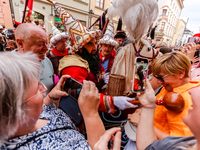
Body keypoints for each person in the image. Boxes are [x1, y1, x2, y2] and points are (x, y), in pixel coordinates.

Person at [0, 52, 106, 149]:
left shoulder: (27, 121)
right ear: (17, 114)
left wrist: (49, 98)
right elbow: (100, 146)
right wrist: (91, 114)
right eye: (37, 89)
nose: (44, 89)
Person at [136, 79, 199, 150]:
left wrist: (138, 120)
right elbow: (147, 146)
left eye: (194, 106)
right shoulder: (186, 143)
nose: (190, 91)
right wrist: (148, 105)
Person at [150, 51, 200, 138]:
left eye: (161, 77)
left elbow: (180, 142)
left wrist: (143, 122)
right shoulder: (170, 87)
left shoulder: (188, 100)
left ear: (181, 73)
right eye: (157, 77)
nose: (158, 82)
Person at [15, 23, 54, 94]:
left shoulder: (47, 61)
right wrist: (46, 101)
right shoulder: (5, 69)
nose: (46, 48)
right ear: (20, 43)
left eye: (46, 43)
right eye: (40, 44)